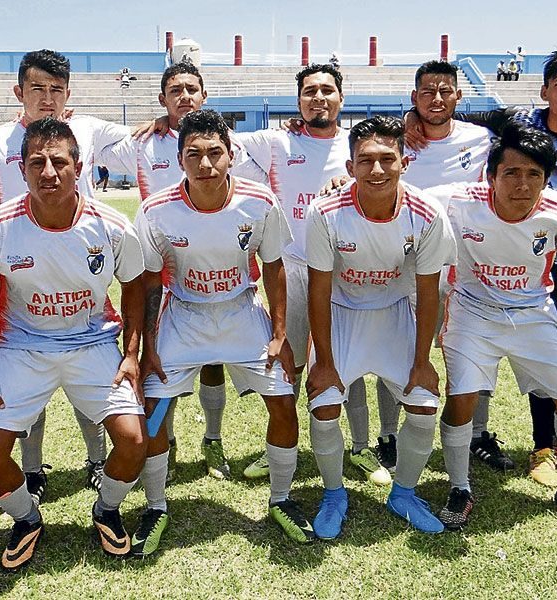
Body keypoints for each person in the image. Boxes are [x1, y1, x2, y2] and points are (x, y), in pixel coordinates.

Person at [406, 46, 557, 487]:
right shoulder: (509, 133)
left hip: (540, 288)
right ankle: (459, 485)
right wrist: (409, 120)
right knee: (461, 389)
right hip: (476, 299)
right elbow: (443, 128)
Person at [0, 118, 149, 567]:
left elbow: (136, 285)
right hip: (22, 347)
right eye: (36, 163)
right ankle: (27, 518)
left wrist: (131, 355)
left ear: (78, 167)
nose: (48, 172)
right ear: (22, 170)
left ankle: (106, 509)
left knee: (133, 442)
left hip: (92, 342)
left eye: (58, 162)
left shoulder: (111, 226)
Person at [0, 49, 135, 499]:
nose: (48, 97)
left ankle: (97, 461)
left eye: (56, 89)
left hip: (81, 262)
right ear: (20, 92)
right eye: (38, 88)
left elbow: (149, 139)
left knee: (88, 388)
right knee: (24, 391)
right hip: (17, 268)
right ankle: (31, 470)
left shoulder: (86, 131)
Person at [135, 109, 313, 550]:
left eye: (215, 152)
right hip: (184, 316)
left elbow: (273, 268)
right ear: (180, 160)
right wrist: (149, 345)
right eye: (193, 154)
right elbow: (150, 280)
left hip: (241, 311)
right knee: (154, 413)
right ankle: (155, 506)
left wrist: (279, 334)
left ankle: (281, 498)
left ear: (232, 155)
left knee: (283, 403)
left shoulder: (259, 201)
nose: (205, 163)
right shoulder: (156, 211)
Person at [431, 124, 557, 530]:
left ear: (546, 179)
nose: (522, 184)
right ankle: (460, 488)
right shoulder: (458, 201)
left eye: (534, 174)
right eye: (512, 173)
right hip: (472, 312)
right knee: (462, 397)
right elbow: (402, 194)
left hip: (535, 312)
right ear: (491, 176)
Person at [98, 61, 266, 482]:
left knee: (213, 363)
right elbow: (83, 142)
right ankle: (165, 445)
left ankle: (213, 440)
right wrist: (51, 116)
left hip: (216, 270)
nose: (185, 96)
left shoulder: (229, 143)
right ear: (162, 99)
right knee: (161, 368)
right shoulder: (142, 142)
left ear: (204, 97)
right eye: (175, 90)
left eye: (192, 89)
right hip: (162, 270)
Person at [235, 64, 390, 485]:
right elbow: (210, 139)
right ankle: (281, 447)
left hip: (346, 268)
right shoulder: (275, 140)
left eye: (326, 90)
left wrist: (353, 176)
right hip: (293, 265)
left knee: (344, 356)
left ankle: (360, 448)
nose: (317, 98)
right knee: (290, 360)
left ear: (342, 97)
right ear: (298, 99)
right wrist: (166, 121)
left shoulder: (358, 144)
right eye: (309, 92)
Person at [305, 116, 456, 537]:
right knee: (325, 404)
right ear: (350, 166)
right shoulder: (325, 211)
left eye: (387, 159)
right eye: (365, 160)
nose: (377, 170)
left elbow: (429, 292)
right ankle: (334, 493)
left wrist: (423, 360)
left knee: (425, 404)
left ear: (403, 162)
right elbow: (319, 290)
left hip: (393, 312)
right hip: (341, 312)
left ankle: (404, 493)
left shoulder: (426, 213)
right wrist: (324, 362)